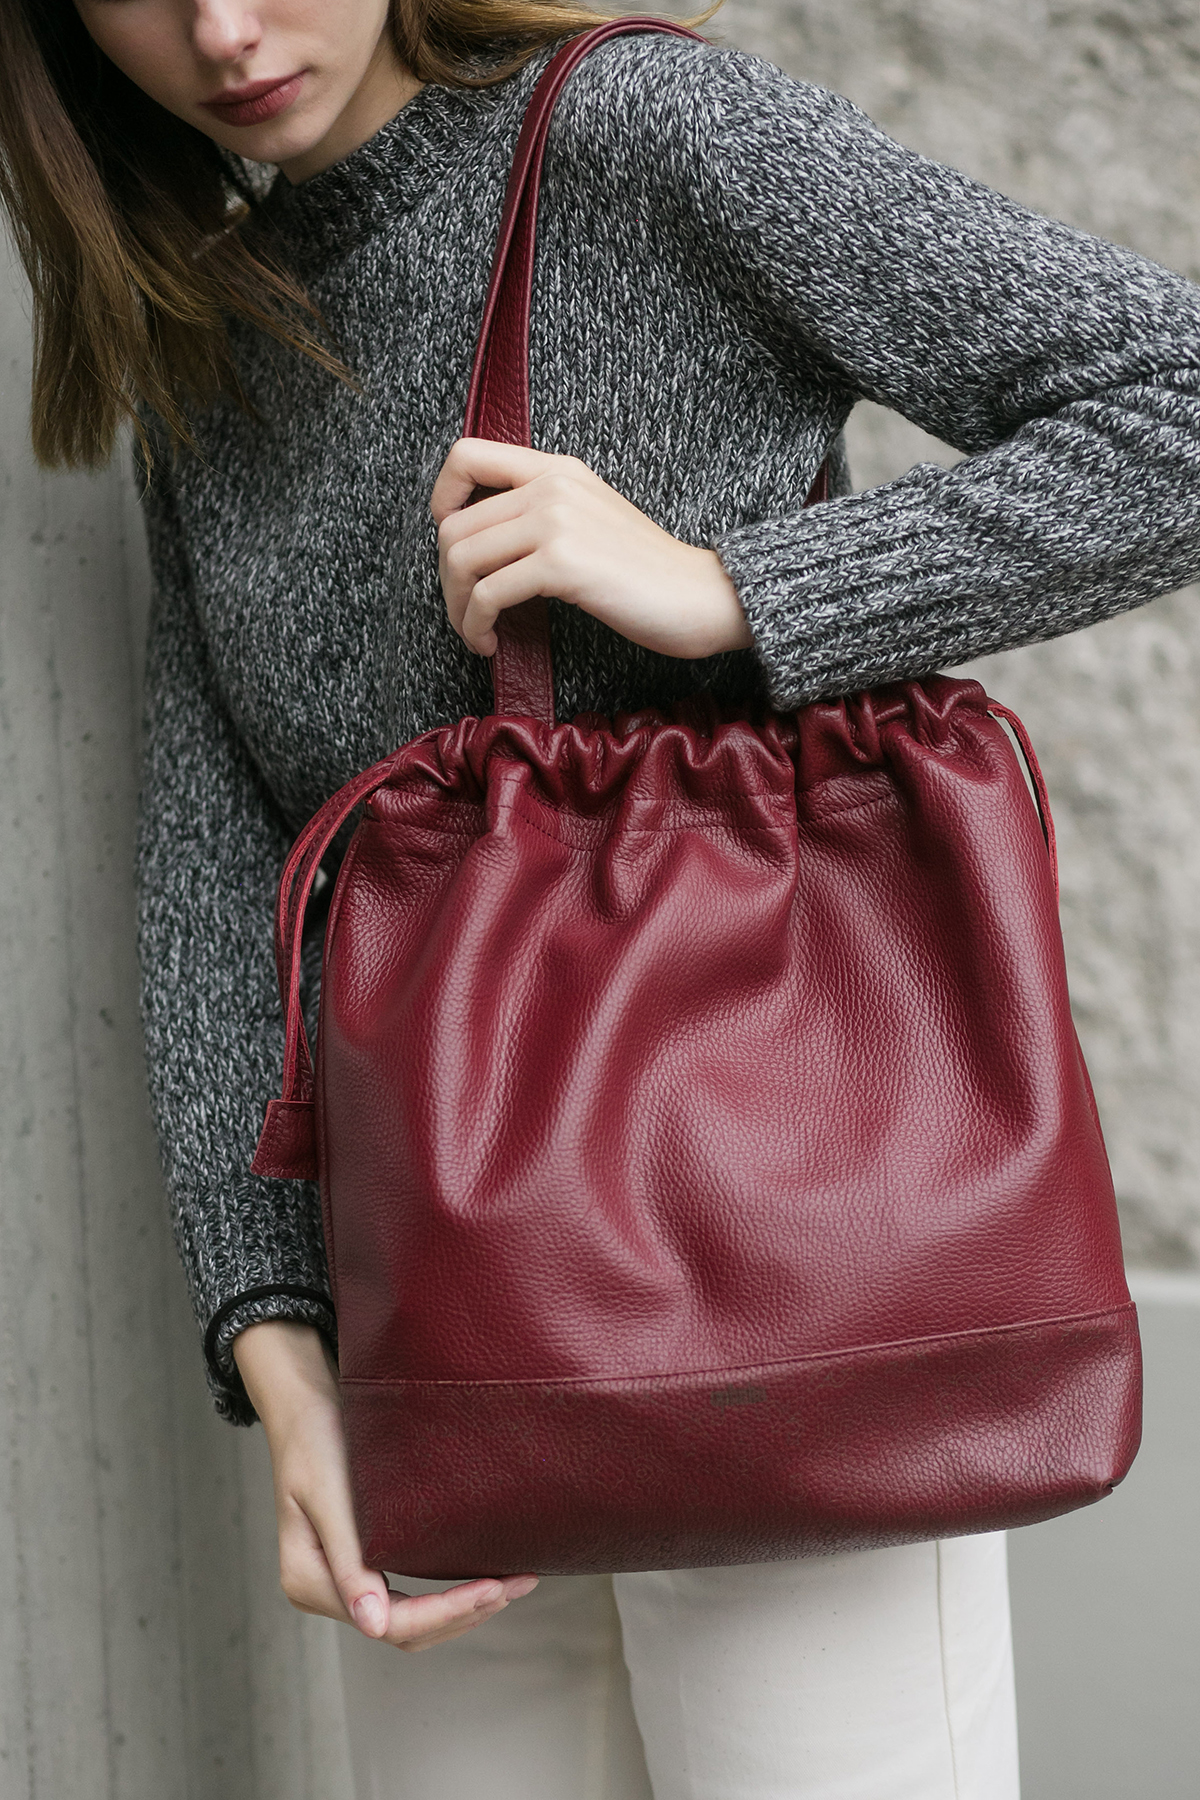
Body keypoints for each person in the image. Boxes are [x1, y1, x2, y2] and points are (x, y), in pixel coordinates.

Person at [1, 1, 1197, 1794]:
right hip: (440, 1343)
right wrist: (277, 1342)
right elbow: (215, 844)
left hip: (789, 1280)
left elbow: (1172, 404)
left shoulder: (646, 132)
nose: (224, 29)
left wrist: (737, 587)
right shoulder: (209, 330)